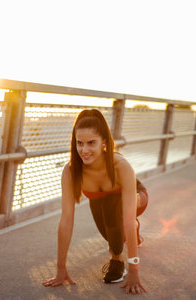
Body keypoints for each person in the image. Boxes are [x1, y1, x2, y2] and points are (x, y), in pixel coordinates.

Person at [43, 109, 148, 295]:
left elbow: (127, 220)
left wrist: (134, 270)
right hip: (101, 201)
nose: (84, 150)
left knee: (116, 230)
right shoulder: (70, 172)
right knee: (110, 234)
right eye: (79, 143)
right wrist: (60, 269)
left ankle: (117, 261)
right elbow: (66, 220)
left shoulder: (121, 166)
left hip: (135, 198)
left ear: (104, 143)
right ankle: (130, 236)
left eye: (91, 143)